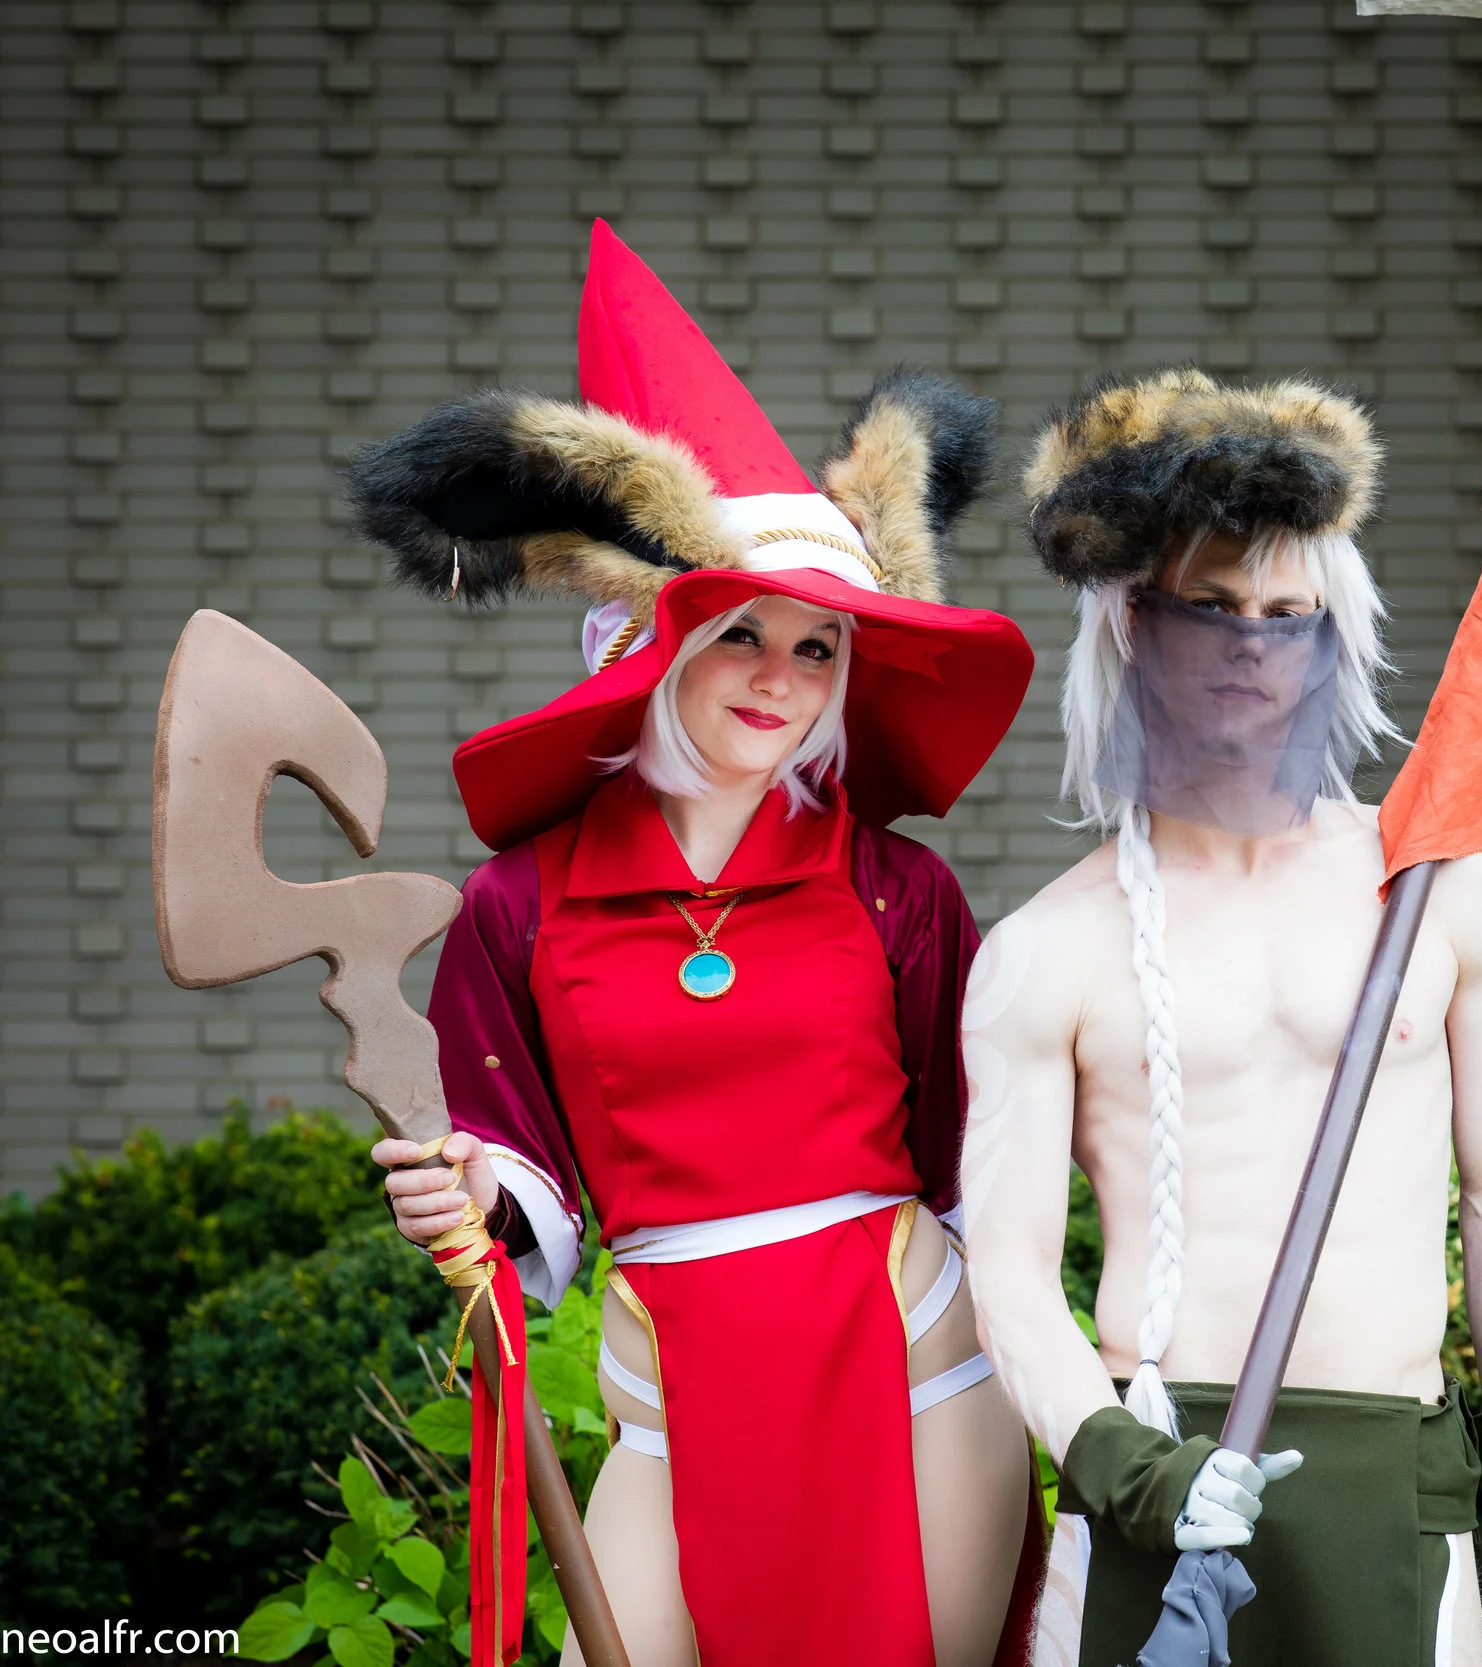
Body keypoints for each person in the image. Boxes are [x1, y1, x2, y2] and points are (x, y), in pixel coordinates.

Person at [347, 222, 1042, 1667]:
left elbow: (978, 1154)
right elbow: (516, 1153)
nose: (781, 678)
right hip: (668, 1383)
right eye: (741, 635)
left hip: (914, 1368)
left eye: (817, 648)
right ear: (653, 647)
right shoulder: (519, 906)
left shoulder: (898, 892)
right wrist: (466, 1191)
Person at [962, 369, 1482, 1667]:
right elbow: (1006, 1265)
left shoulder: (1444, 886)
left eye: (1287, 614)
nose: (1251, 644)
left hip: (1389, 1473)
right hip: (1154, 1463)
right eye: (1213, 608)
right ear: (1133, 625)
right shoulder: (1046, 949)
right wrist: (1123, 1467)